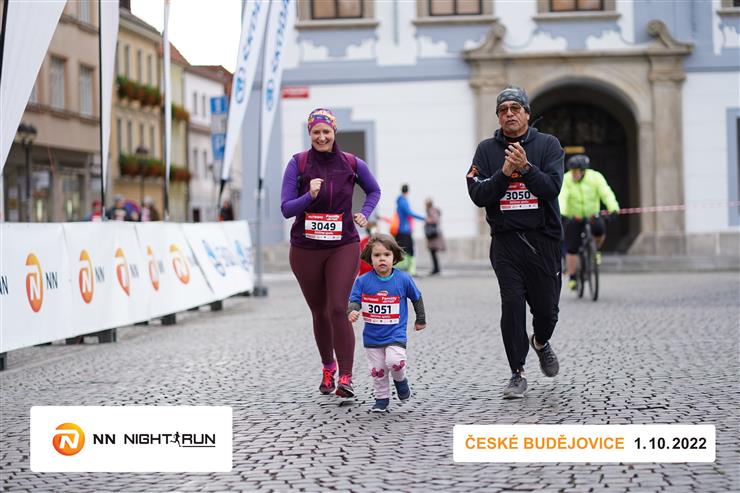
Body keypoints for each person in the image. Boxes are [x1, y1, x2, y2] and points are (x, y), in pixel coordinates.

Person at [466, 86, 564, 399]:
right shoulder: (486, 150)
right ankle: (517, 372)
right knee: (511, 305)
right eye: (503, 109)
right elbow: (478, 194)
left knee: (547, 311)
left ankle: (540, 342)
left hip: (543, 240)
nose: (509, 114)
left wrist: (526, 169)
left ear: (526, 113)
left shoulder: (548, 145)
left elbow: (551, 188)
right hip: (506, 242)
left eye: (515, 108)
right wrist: (504, 174)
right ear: (498, 116)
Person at [281, 108, 381, 399]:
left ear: (334, 132)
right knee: (319, 312)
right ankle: (328, 367)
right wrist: (308, 196)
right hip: (306, 248)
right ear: (310, 134)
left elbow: (374, 190)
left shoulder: (351, 163)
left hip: (342, 245)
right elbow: (286, 208)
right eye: (316, 132)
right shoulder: (298, 164)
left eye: (326, 131)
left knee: (338, 307)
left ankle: (346, 377)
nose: (322, 137)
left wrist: (364, 212)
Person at [348, 234, 426, 412]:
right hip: (372, 336)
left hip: (395, 333)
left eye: (386, 255)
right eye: (377, 255)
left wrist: (420, 319)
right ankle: (381, 398)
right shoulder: (362, 281)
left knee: (395, 361)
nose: (382, 259)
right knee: (378, 370)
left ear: (394, 257)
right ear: (370, 258)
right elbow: (354, 300)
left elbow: (416, 297)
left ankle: (400, 380)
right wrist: (352, 311)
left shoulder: (403, 279)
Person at [559, 154, 620, 290]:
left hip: (592, 214)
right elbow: (562, 196)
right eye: (572, 171)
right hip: (574, 216)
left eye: (576, 171)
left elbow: (606, 193)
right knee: (572, 247)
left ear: (583, 171)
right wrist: (562, 213)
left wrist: (613, 208)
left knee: (600, 229)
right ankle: (572, 277)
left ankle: (595, 250)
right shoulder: (566, 179)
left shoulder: (595, 177)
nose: (574, 174)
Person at [394, 184, 425, 275]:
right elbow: (409, 213)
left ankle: (406, 270)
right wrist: (423, 218)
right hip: (404, 230)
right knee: (408, 250)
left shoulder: (400, 201)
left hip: (402, 230)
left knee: (404, 250)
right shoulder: (403, 201)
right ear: (407, 191)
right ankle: (410, 271)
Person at [424, 198, 445, 275]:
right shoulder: (431, 210)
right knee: (433, 253)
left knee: (433, 252)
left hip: (433, 236)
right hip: (432, 236)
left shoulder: (432, 211)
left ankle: (436, 269)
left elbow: (435, 220)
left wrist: (428, 220)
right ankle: (436, 268)